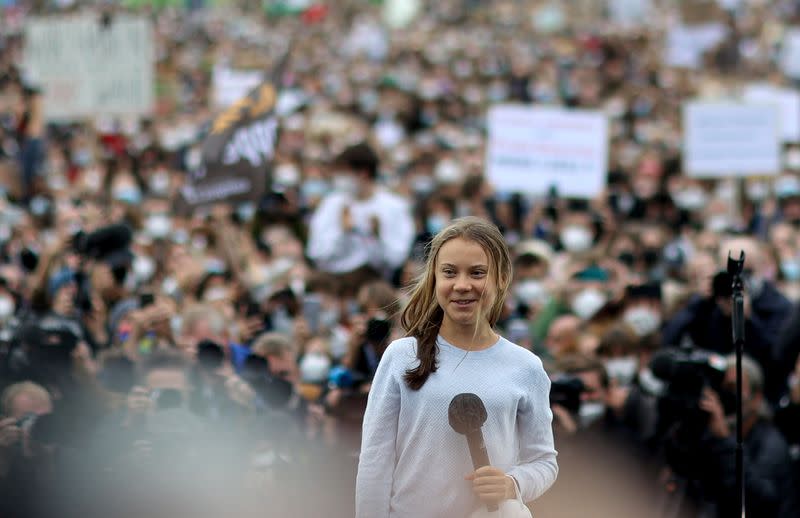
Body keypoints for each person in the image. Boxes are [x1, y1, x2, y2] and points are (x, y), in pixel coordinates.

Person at [356, 217, 558, 518]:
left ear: (501, 278)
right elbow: (375, 461)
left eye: (477, 273)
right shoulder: (401, 355)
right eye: (450, 273)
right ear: (435, 279)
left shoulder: (526, 366)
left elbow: (543, 461)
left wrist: (512, 483)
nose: (463, 285)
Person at [306, 142, 415, 294]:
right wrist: (343, 233)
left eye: (344, 172)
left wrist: (376, 237)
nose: (338, 178)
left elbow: (396, 259)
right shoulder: (331, 204)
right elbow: (316, 253)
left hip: (374, 285)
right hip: (333, 283)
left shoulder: (394, 207)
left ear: (363, 173)